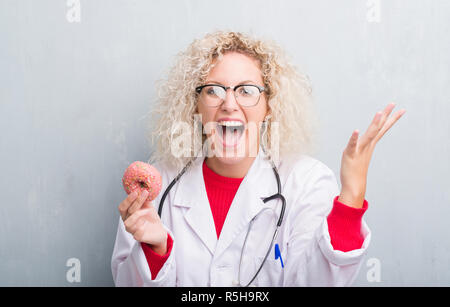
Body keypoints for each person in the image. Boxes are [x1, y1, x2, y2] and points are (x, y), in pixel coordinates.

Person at [111, 31, 405, 286]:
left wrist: (351, 199)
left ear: (269, 106)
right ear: (195, 105)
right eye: (213, 90)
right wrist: (155, 249)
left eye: (247, 91)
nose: (229, 104)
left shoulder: (306, 182)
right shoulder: (158, 190)